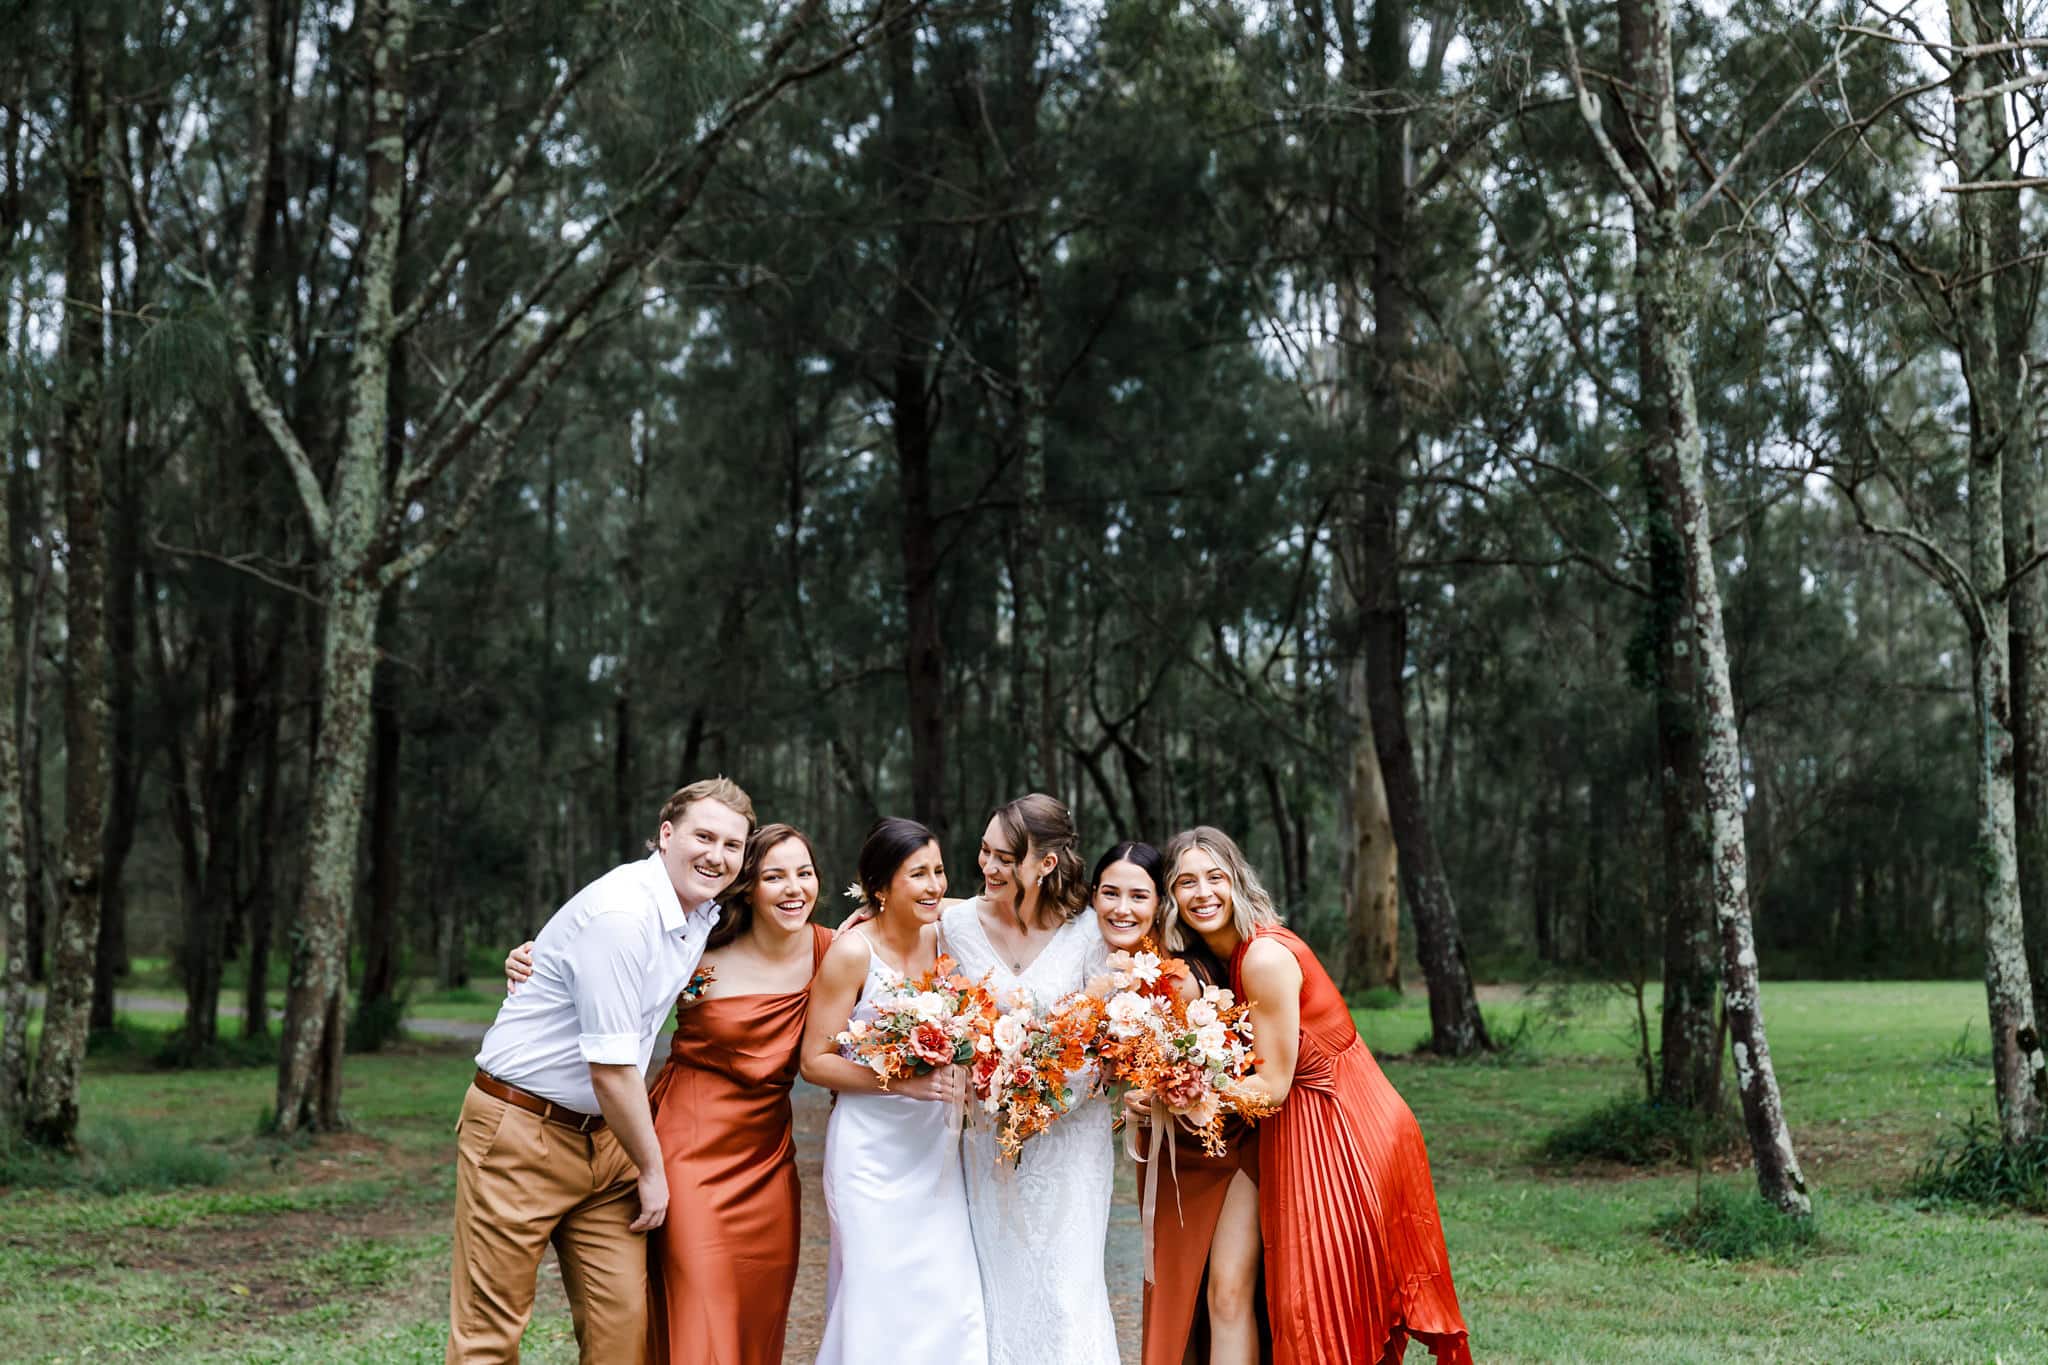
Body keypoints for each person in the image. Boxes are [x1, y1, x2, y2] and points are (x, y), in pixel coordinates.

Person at [448, 777, 754, 1364]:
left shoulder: (699, 913)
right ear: (666, 835)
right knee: (490, 1335)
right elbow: (611, 1070)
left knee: (622, 1332)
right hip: (520, 1133)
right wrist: (653, 1169)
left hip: (607, 1142)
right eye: (703, 836)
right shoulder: (623, 913)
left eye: (732, 846)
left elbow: (784, 909)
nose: (717, 856)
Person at [504, 822, 832, 1365]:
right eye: (775, 875)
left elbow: (923, 925)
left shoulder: (833, 950)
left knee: (756, 1309)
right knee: (698, 1306)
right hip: (687, 1149)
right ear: (748, 885)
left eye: (805, 873)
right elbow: (594, 960)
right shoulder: (696, 945)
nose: (794, 887)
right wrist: (529, 961)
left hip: (769, 1161)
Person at [1162, 826, 1472, 1365]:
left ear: (1238, 882)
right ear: (1171, 896)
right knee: (1314, 1305)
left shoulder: (1262, 958)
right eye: (1185, 882)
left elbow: (1272, 1086)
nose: (1202, 893)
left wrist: (1184, 1091)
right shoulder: (1223, 958)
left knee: (1320, 1305)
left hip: (1341, 1128)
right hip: (1311, 1124)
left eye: (1215, 877)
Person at [800, 818, 988, 1365]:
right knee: (875, 1292)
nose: (934, 885)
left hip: (935, 1147)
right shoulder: (852, 953)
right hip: (870, 1152)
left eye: (938, 871)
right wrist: (904, 1081)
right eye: (918, 875)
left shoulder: (948, 934)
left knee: (945, 1293)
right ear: (880, 887)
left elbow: (984, 907)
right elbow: (814, 1062)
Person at [941, 794, 1118, 1365]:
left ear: (1044, 864)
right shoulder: (956, 922)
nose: (987, 868)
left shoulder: (1092, 933)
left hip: (1071, 1144)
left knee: (1067, 1293)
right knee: (995, 1291)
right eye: (984, 852)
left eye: (1004, 858)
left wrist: (1043, 1094)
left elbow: (1106, 1042)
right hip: (986, 1143)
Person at [1095, 841, 1266, 1365]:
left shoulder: (1181, 975)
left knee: (1227, 1295)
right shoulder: (1113, 969)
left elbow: (1226, 1069)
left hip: (1228, 1147)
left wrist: (1164, 1091)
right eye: (1109, 893)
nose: (1123, 908)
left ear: (1159, 903)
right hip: (1172, 1153)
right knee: (1179, 1299)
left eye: (1139, 895)